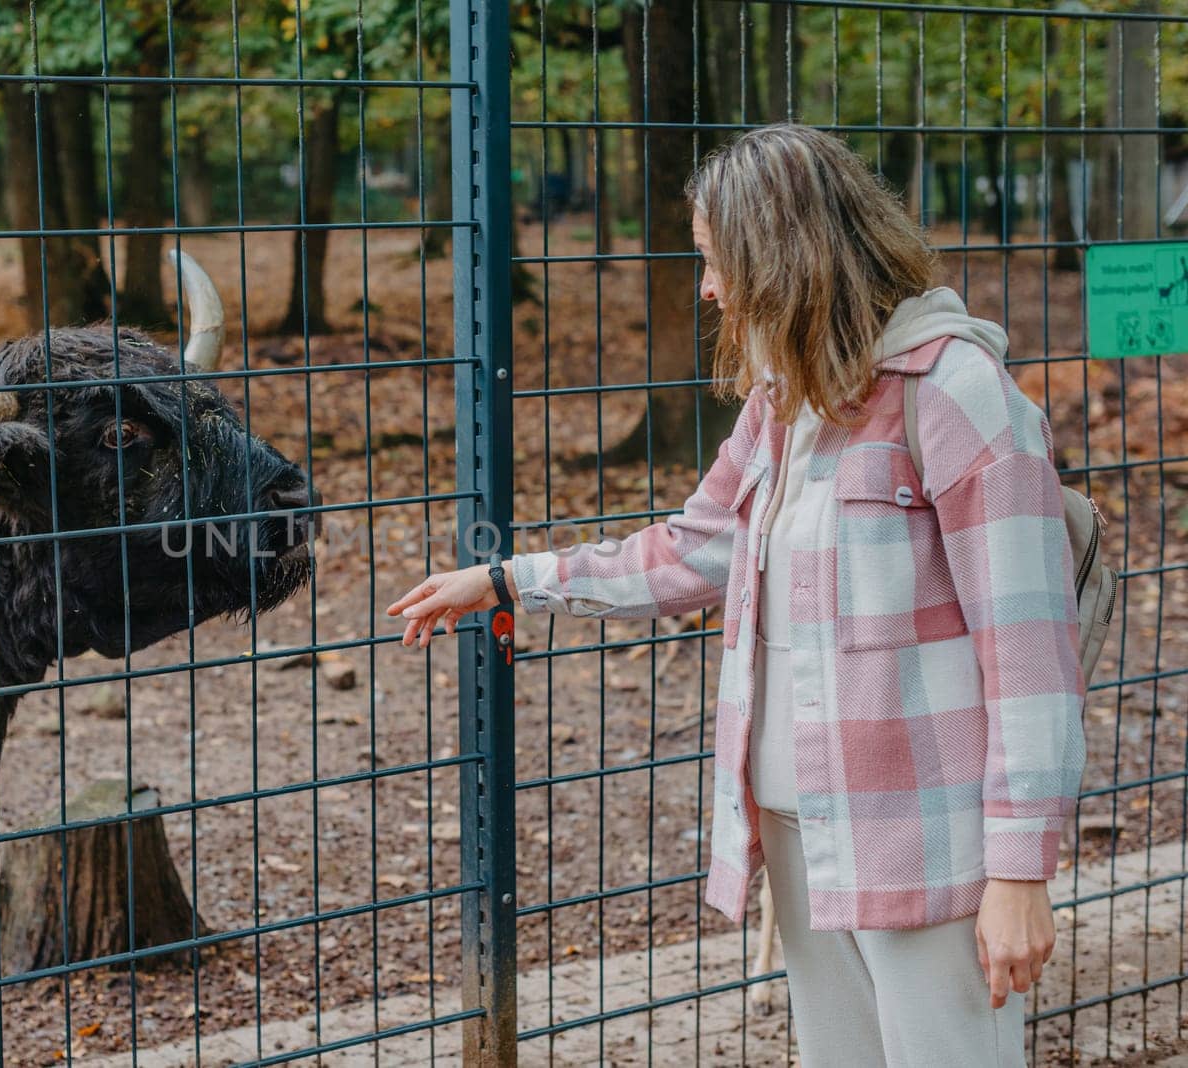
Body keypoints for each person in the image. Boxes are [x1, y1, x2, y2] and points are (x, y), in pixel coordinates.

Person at [386, 125, 1085, 1068]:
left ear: (784, 256)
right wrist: (512, 580)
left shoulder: (959, 393)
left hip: (929, 844)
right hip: (802, 833)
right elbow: (690, 549)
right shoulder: (785, 400)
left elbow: (1031, 658)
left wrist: (1019, 873)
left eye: (717, 261)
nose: (708, 288)